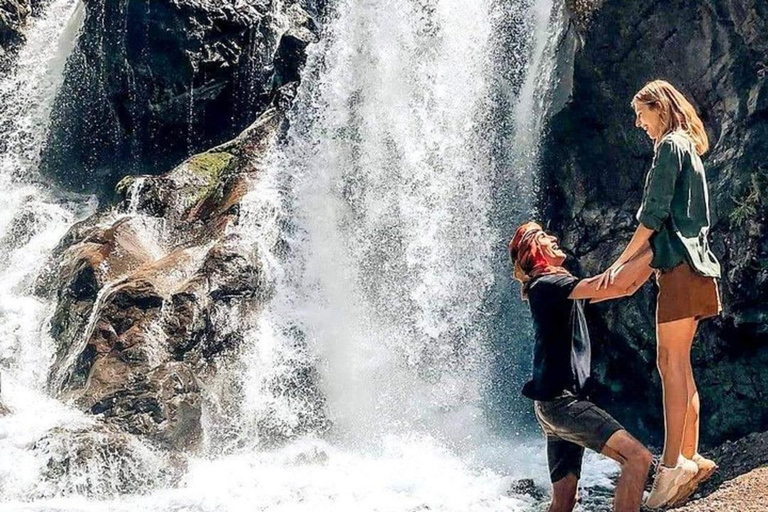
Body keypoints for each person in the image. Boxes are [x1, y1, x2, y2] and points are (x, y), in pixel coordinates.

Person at [594, 80, 722, 508]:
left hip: (681, 272)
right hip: (699, 270)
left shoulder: (670, 145)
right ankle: (690, 457)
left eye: (641, 114)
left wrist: (619, 262)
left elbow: (654, 213)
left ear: (660, 108)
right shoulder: (690, 147)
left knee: (669, 365)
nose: (638, 123)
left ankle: (670, 470)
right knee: (680, 364)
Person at [509, 221, 653, 512]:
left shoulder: (552, 288)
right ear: (534, 251)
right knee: (638, 459)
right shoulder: (549, 285)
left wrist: (653, 248)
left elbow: (625, 287)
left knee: (564, 501)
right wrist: (661, 239)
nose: (553, 237)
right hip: (564, 404)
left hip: (551, 406)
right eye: (544, 236)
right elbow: (614, 283)